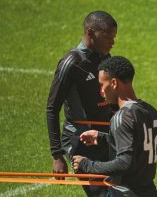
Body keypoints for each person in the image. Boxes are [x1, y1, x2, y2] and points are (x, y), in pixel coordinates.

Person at [46, 10, 117, 196]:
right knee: (100, 194)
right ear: (91, 32)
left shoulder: (105, 58)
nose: (113, 42)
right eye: (108, 36)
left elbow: (111, 100)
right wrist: (57, 155)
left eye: (114, 36)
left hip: (104, 136)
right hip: (80, 141)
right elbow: (52, 108)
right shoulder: (71, 63)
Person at [72, 56, 157, 197]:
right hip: (149, 191)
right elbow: (139, 145)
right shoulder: (150, 111)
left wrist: (86, 165)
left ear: (113, 83)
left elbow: (124, 163)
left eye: (102, 85)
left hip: (125, 193)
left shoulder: (122, 117)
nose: (101, 91)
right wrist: (103, 138)